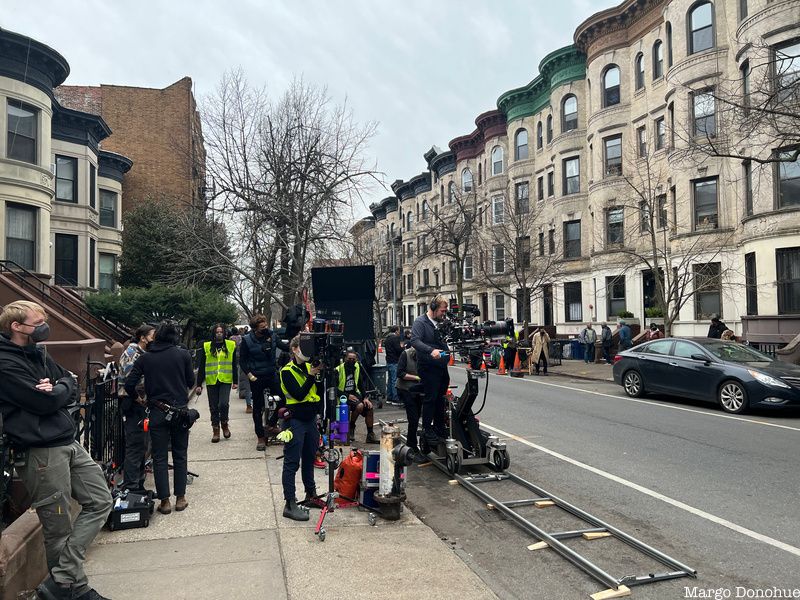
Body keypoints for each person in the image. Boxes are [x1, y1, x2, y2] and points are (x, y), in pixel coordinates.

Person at [0, 301, 112, 600]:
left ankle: (60, 580)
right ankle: (73, 589)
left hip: (67, 441)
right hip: (40, 453)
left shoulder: (39, 353)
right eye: (39, 322)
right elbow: (41, 403)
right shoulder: (5, 362)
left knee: (101, 501)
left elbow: (72, 382)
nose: (45, 325)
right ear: (17, 326)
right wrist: (55, 392)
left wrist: (58, 387)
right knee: (57, 526)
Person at [125, 321, 195, 515]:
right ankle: (180, 498)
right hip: (180, 411)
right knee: (180, 454)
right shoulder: (183, 355)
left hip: (156, 411)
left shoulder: (146, 359)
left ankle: (164, 501)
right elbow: (191, 381)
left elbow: (129, 383)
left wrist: (138, 398)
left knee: (159, 457)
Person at [279, 335, 323, 521]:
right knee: (291, 462)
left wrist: (318, 375)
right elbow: (298, 394)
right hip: (295, 420)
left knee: (309, 457)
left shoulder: (308, 367)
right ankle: (289, 502)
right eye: (303, 348)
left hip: (310, 419)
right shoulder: (286, 371)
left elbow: (316, 392)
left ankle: (310, 493)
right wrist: (312, 376)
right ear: (295, 349)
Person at [239, 314, 289, 451]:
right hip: (256, 376)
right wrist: (249, 375)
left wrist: (298, 342)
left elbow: (284, 347)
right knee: (258, 407)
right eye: (262, 328)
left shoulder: (272, 335)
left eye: (266, 326)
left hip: (271, 373)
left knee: (283, 398)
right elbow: (242, 360)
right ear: (255, 329)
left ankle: (271, 425)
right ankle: (260, 437)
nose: (265, 329)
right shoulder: (247, 340)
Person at [410, 295, 451, 451]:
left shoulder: (443, 323)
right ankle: (428, 429)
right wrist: (431, 350)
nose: (444, 313)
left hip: (441, 367)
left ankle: (440, 428)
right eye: (442, 310)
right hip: (428, 367)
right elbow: (415, 340)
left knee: (441, 398)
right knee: (431, 398)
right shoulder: (421, 322)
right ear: (433, 308)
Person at [118, 323, 155, 492]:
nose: (154, 338)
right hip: (132, 403)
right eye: (152, 335)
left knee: (141, 445)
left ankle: (138, 484)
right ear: (143, 337)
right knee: (135, 446)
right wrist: (140, 398)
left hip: (140, 403)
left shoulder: (143, 354)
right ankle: (132, 487)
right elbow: (129, 382)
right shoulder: (132, 353)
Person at [195, 324, 238, 443]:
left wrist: (236, 381)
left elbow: (234, 364)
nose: (219, 334)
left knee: (223, 404)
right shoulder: (207, 346)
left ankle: (224, 423)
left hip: (225, 379)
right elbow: (202, 365)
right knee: (213, 406)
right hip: (211, 380)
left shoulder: (230, 345)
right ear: (214, 333)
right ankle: (215, 430)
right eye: (217, 332)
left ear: (224, 333)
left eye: (221, 332)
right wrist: (198, 384)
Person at [335, 350, 378, 444]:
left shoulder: (357, 366)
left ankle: (370, 435)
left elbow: (361, 384)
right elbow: (334, 389)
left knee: (369, 407)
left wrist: (366, 398)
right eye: (349, 359)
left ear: (356, 360)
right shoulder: (339, 369)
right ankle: (351, 426)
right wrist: (347, 396)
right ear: (345, 359)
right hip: (342, 397)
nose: (351, 361)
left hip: (354, 394)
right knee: (360, 406)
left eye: (353, 359)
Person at [396, 345, 425, 458]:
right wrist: (417, 378)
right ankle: (412, 446)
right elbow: (400, 373)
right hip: (406, 389)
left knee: (418, 416)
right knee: (413, 418)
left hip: (419, 389)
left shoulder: (426, 354)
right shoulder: (406, 354)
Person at [383, 325, 402, 406]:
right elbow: (398, 349)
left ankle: (389, 397)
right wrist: (403, 349)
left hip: (389, 360)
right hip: (395, 360)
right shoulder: (395, 338)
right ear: (396, 331)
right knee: (395, 380)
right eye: (399, 330)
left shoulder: (387, 338)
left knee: (390, 379)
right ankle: (395, 398)